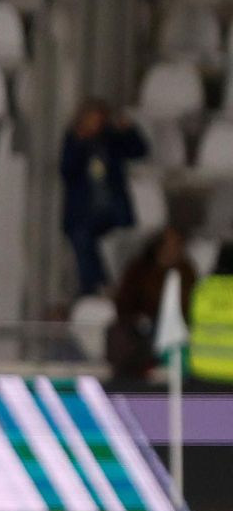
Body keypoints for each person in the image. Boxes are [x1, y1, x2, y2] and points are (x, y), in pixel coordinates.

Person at [60, 99, 148, 295]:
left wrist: (129, 129)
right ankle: (96, 286)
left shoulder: (112, 139)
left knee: (125, 247)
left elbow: (140, 151)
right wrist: (81, 143)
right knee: (81, 238)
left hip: (113, 210)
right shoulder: (74, 140)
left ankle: (121, 288)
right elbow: (66, 171)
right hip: (85, 212)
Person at [109, 228, 197, 379]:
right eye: (171, 245)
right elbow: (124, 302)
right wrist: (139, 319)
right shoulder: (139, 270)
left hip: (179, 328)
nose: (176, 249)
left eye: (178, 245)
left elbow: (193, 301)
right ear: (159, 247)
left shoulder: (186, 270)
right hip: (142, 328)